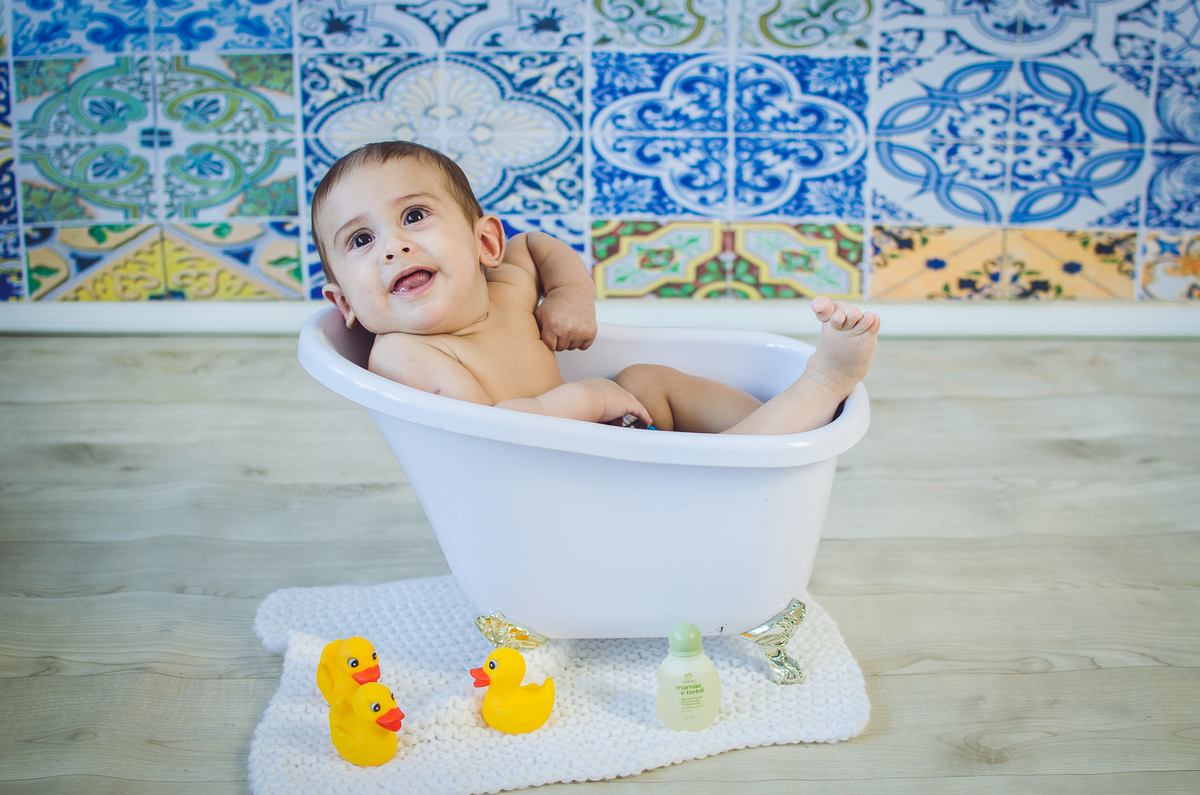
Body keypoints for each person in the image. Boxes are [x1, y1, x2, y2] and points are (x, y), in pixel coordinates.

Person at [312, 141, 880, 435]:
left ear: (484, 243)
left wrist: (569, 294)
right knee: (644, 403)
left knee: (647, 378)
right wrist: (587, 400)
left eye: (414, 217)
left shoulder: (505, 283)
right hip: (559, 485)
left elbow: (537, 244)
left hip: (611, 440)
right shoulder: (405, 352)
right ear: (344, 303)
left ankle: (768, 428)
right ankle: (816, 389)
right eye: (360, 240)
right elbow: (487, 435)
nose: (392, 247)